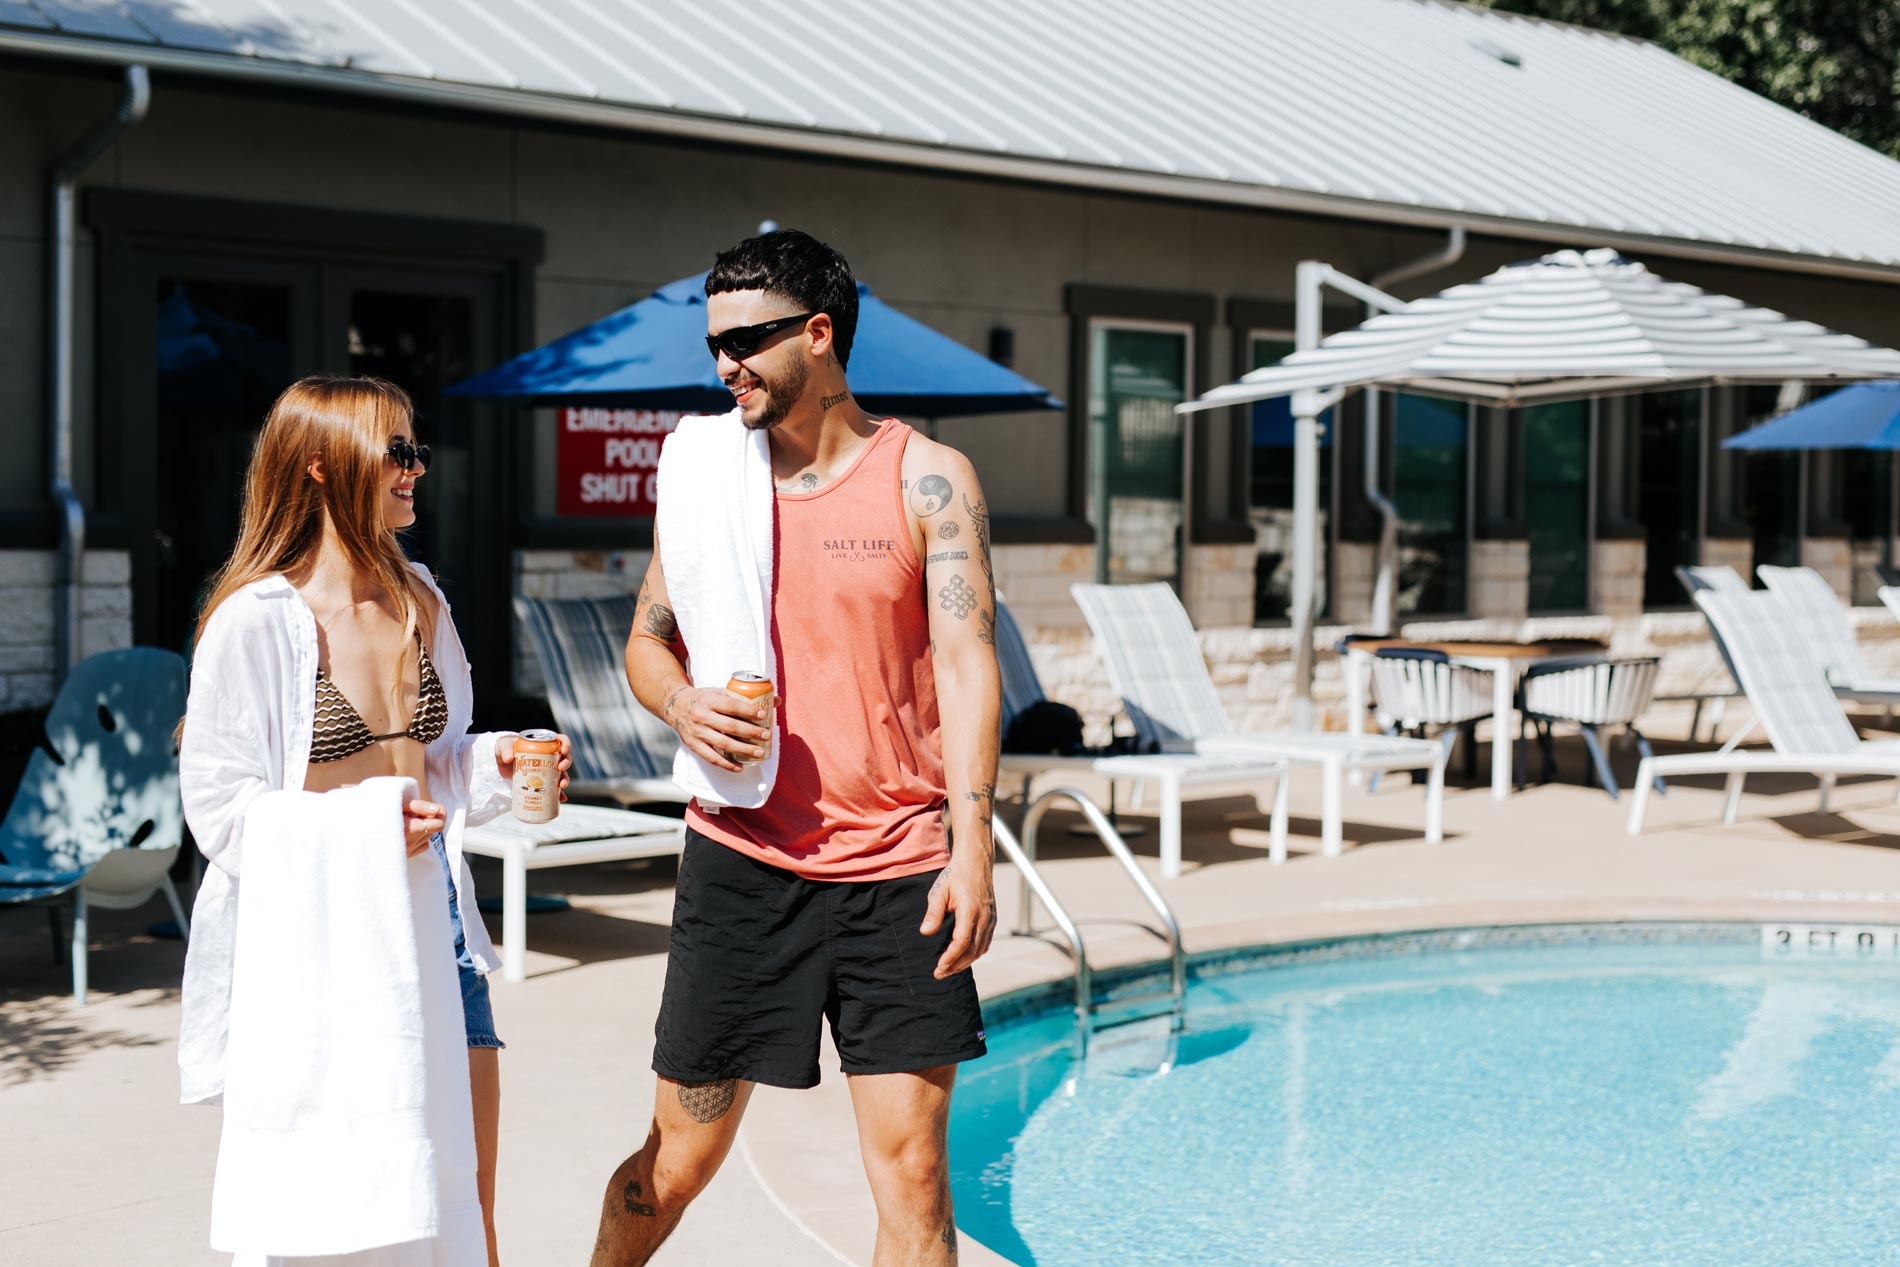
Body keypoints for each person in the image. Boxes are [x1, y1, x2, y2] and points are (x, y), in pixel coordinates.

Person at [590, 230, 1001, 1266]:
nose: (725, 364)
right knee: (675, 1163)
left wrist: (974, 849)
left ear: (819, 333)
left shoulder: (928, 481)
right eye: (714, 344)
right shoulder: (706, 479)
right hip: (744, 862)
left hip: (898, 871)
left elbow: (967, 663)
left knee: (914, 1177)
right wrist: (682, 703)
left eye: (747, 341)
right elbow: (646, 641)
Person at [177, 374, 570, 1266]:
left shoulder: (420, 599)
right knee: (339, 1223)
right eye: (396, 450)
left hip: (440, 930)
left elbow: (439, 760)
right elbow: (221, 810)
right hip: (322, 948)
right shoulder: (255, 622)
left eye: (416, 450)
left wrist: (500, 760)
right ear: (321, 463)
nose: (416, 468)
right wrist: (365, 831)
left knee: (464, 1212)